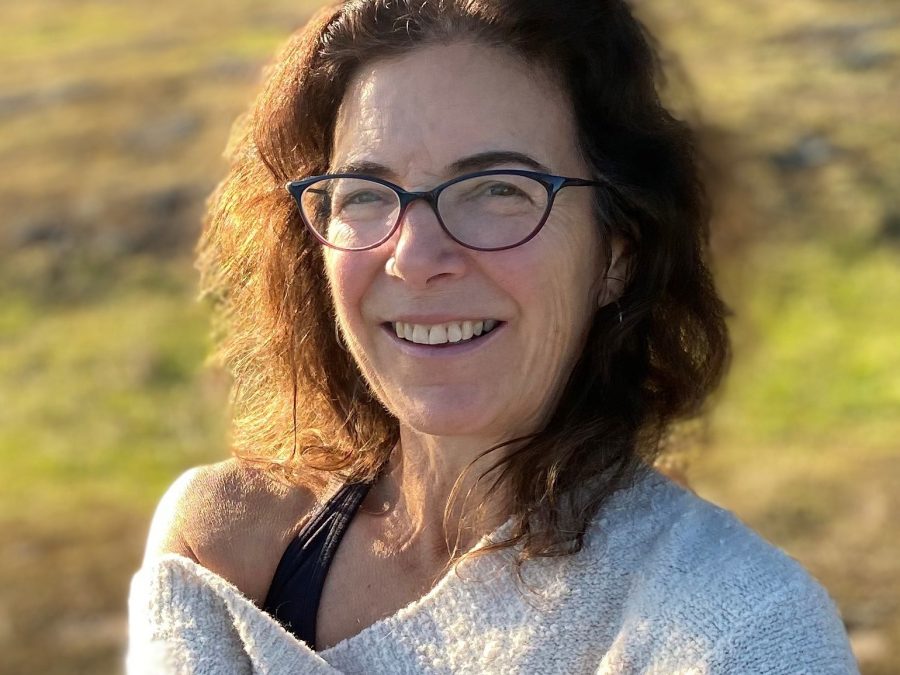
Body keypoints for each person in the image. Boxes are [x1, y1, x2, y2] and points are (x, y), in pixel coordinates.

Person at [127, 0, 858, 672]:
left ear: (616, 256)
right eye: (365, 194)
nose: (415, 257)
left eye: (498, 189)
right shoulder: (230, 547)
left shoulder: (743, 624)